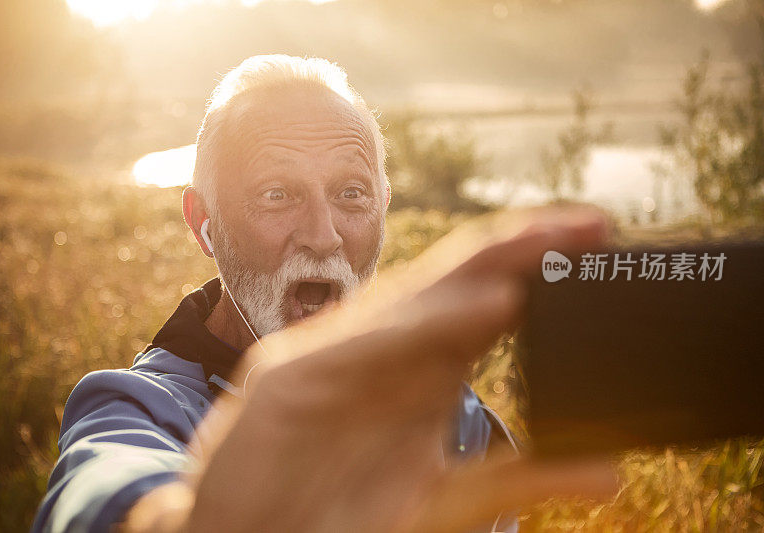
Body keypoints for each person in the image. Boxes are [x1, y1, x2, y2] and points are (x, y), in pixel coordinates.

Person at [31, 55, 615, 533]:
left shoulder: (451, 412)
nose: (324, 235)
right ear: (202, 222)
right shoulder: (136, 407)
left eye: (352, 192)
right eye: (277, 194)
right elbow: (97, 495)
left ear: (384, 207)